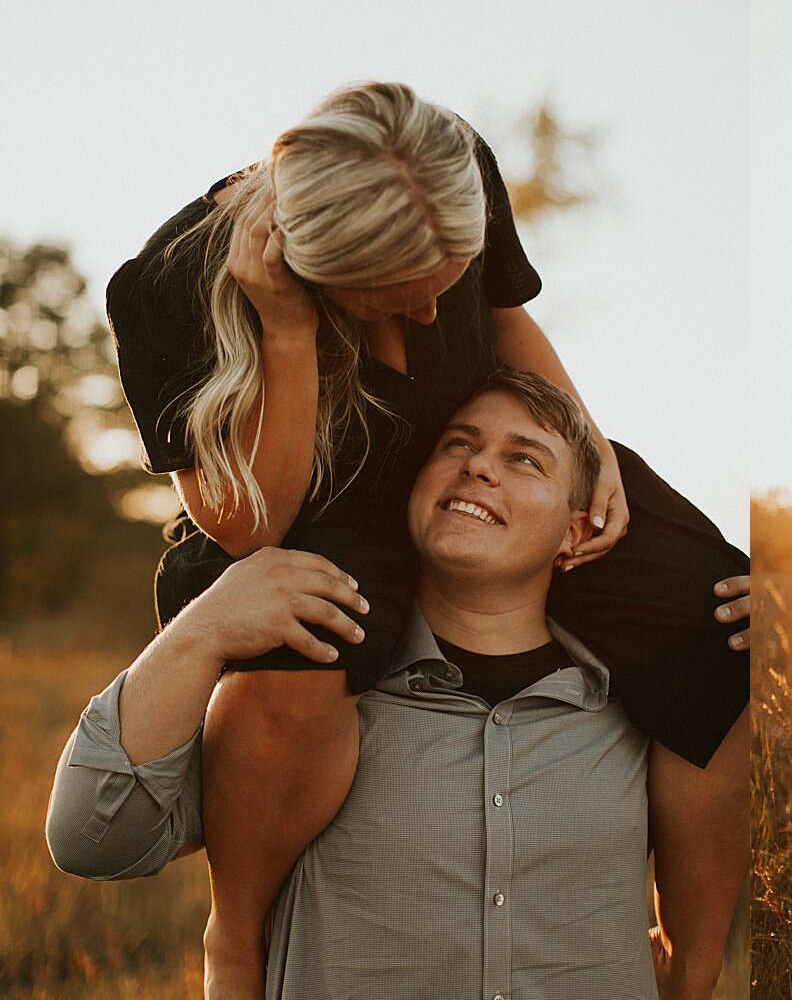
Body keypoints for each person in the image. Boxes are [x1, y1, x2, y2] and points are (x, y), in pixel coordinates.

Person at [105, 82, 748, 1000]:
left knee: (718, 610)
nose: (431, 312)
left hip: (470, 433)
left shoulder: (445, 163)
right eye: (401, 296)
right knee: (303, 650)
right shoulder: (170, 286)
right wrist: (287, 333)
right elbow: (247, 525)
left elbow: (509, 318)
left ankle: (692, 963)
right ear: (321, 271)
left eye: (447, 282)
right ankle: (236, 934)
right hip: (314, 494)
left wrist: (588, 446)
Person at [49, 364, 742, 998]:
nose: (478, 467)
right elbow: (93, 837)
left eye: (523, 457)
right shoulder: (305, 701)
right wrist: (204, 629)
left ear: (579, 529)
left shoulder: (636, 715)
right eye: (457, 444)